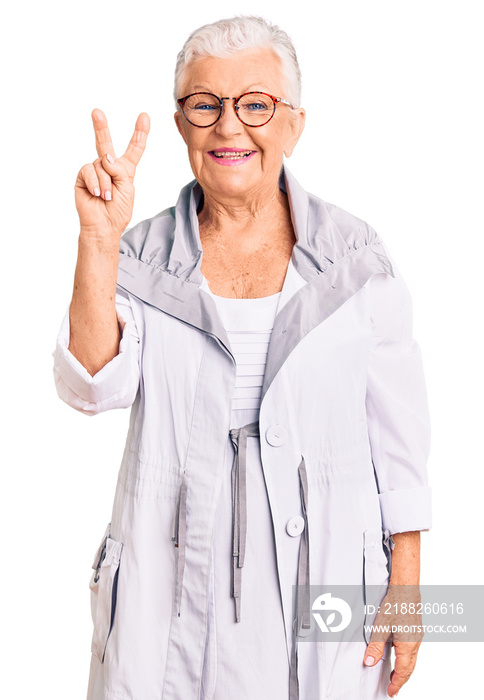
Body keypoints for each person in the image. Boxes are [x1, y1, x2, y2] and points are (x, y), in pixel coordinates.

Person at [53, 15, 432, 700]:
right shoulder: (140, 257)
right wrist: (98, 243)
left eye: (255, 104)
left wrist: (408, 592)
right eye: (205, 105)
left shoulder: (355, 259)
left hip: (324, 590)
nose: (229, 127)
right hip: (169, 587)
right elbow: (90, 385)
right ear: (181, 125)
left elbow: (400, 441)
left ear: (293, 124)